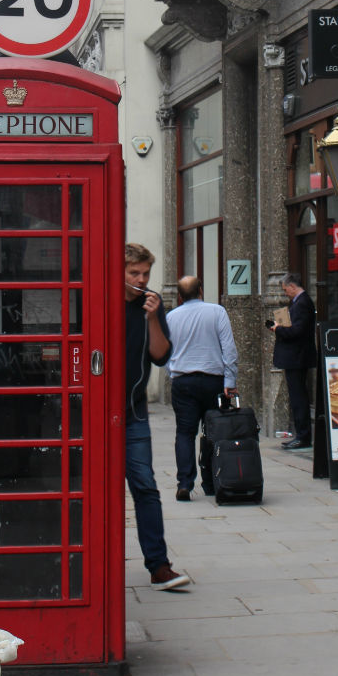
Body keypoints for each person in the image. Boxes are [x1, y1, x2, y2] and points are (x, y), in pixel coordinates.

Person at [124, 243, 190, 590]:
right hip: (95, 414)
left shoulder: (151, 304)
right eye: (134, 273)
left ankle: (158, 565)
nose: (141, 279)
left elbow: (161, 356)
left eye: (146, 273)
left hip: (133, 412)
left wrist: (151, 316)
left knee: (146, 488)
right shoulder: (100, 298)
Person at [166, 275, 238, 500]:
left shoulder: (170, 317)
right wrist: (230, 382)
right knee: (213, 432)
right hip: (213, 381)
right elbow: (230, 350)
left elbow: (165, 352)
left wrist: (173, 374)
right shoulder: (217, 312)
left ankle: (185, 483)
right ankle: (211, 482)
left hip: (183, 381)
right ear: (201, 291)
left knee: (185, 433)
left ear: (179, 295)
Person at [271, 272, 317, 450]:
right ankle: (302, 434)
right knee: (297, 396)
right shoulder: (298, 302)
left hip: (298, 357)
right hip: (295, 357)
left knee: (299, 397)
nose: (285, 294)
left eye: (285, 290)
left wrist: (278, 329)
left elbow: (297, 331)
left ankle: (303, 435)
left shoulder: (302, 303)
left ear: (292, 286)